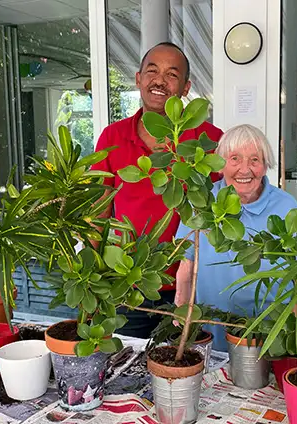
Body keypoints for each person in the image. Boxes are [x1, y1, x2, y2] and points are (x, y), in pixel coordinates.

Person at [92, 42, 223, 338]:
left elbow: (226, 206)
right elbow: (99, 209)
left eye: (172, 74)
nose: (160, 80)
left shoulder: (208, 140)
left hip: (190, 288)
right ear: (138, 79)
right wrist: (96, 275)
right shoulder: (112, 136)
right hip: (127, 284)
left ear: (186, 87)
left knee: (184, 373)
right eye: (152, 70)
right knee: (126, 368)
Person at [174, 124, 297, 351]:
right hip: (212, 328)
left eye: (254, 160)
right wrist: (182, 309)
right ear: (221, 164)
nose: (245, 169)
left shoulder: (286, 206)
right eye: (235, 159)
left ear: (265, 165)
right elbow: (186, 264)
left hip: (270, 332)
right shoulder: (201, 202)